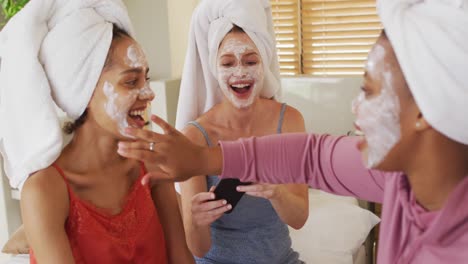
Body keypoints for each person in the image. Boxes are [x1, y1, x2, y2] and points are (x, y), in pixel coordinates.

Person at [117, 0, 468, 263]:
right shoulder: (396, 179)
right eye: (227, 63)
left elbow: (302, 194)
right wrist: (200, 163)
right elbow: (310, 156)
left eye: (370, 91)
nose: (355, 110)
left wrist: (277, 194)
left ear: (425, 110)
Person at [0, 0, 193, 263]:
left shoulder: (151, 163)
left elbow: (181, 258)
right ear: (86, 90)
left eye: (145, 79)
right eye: (130, 81)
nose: (148, 94)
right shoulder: (45, 190)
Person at [174, 0, 308, 263]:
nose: (240, 73)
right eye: (227, 64)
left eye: (250, 61)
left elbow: (299, 218)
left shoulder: (289, 121)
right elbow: (198, 249)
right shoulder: (195, 136)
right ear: (214, 68)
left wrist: (276, 192)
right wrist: (197, 221)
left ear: (264, 63)